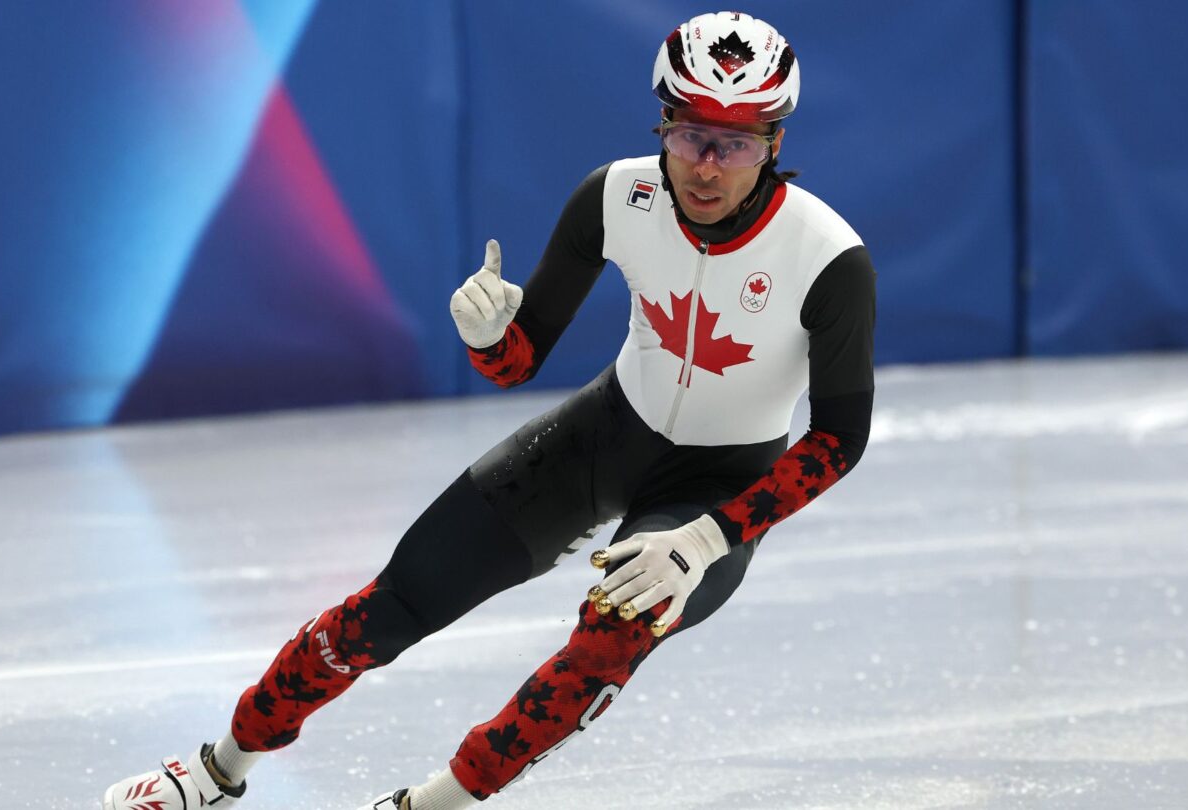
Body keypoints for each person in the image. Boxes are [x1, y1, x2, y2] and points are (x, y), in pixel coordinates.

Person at [102, 11, 875, 810]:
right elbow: (517, 364)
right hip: (601, 437)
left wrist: (709, 538)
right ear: (664, 125)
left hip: (713, 495)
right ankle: (215, 770)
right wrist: (487, 337)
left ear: (775, 145)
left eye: (736, 145)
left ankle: (430, 807)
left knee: (606, 637)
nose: (707, 168)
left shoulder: (825, 255)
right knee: (395, 601)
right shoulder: (617, 195)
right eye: (689, 138)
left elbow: (838, 438)